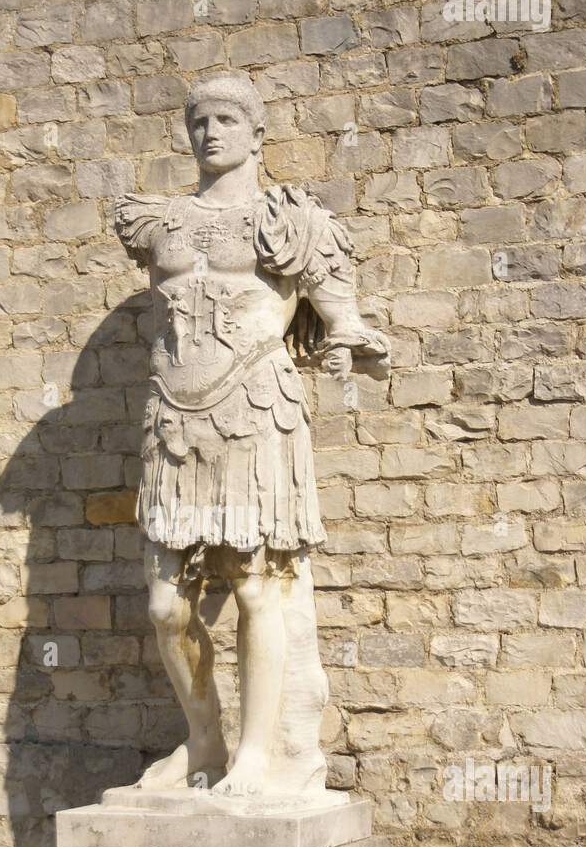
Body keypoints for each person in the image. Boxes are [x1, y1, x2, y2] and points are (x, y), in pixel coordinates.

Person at [115, 73, 390, 796]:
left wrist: (349, 337)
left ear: (257, 133)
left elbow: (340, 313)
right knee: (165, 601)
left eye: (228, 119)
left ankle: (258, 756)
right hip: (174, 416)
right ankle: (203, 741)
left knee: (257, 586)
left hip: (256, 407)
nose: (211, 132)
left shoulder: (290, 220)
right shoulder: (160, 220)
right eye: (199, 120)